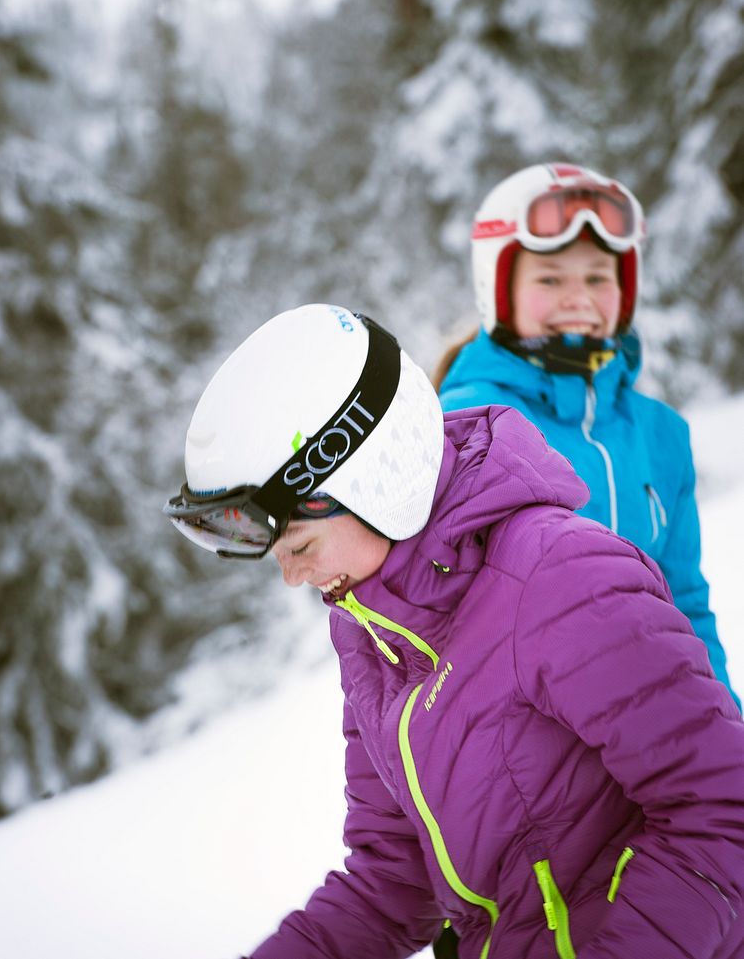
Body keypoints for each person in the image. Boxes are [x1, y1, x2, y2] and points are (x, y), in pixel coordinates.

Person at [164, 303, 744, 959]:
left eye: (298, 543)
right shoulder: (374, 636)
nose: (292, 578)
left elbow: (721, 809)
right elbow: (392, 882)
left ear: (374, 481)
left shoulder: (560, 578)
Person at [435, 161, 740, 711]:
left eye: (598, 277)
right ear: (498, 288)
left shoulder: (661, 434)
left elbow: (685, 602)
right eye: (550, 279)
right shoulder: (467, 425)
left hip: (656, 726)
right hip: (536, 746)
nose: (578, 298)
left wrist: (725, 727)